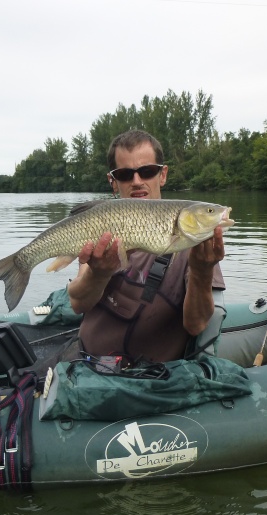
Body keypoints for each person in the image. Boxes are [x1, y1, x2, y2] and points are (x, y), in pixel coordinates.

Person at [67, 130, 226, 363]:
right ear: (113, 181)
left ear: (162, 175)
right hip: (84, 363)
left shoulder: (194, 239)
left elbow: (196, 325)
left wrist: (202, 271)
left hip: (149, 378)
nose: (137, 181)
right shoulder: (101, 225)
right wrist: (98, 274)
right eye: (125, 174)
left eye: (147, 171)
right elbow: (78, 303)